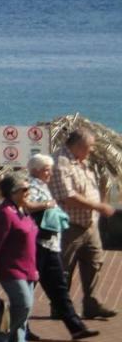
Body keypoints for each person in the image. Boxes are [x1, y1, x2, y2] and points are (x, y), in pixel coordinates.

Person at [25, 154, 99, 341]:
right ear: (36, 170)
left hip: (51, 246)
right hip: (38, 246)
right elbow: (26, 206)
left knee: (59, 289)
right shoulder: (31, 185)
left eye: (49, 169)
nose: (50, 173)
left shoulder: (42, 185)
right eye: (46, 169)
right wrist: (47, 204)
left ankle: (76, 328)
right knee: (27, 290)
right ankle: (16, 328)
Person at [51, 127, 117, 319]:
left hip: (89, 224)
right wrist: (98, 206)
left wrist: (96, 207)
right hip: (68, 225)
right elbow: (67, 196)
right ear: (78, 145)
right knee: (64, 267)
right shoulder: (60, 163)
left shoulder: (81, 161)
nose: (92, 150)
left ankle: (92, 305)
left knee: (94, 263)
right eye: (89, 146)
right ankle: (59, 307)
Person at [0, 171, 39, 342]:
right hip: (10, 269)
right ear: (13, 192)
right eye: (25, 188)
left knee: (25, 310)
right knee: (23, 305)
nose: (29, 191)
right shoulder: (5, 213)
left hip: (28, 268)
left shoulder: (23, 210)